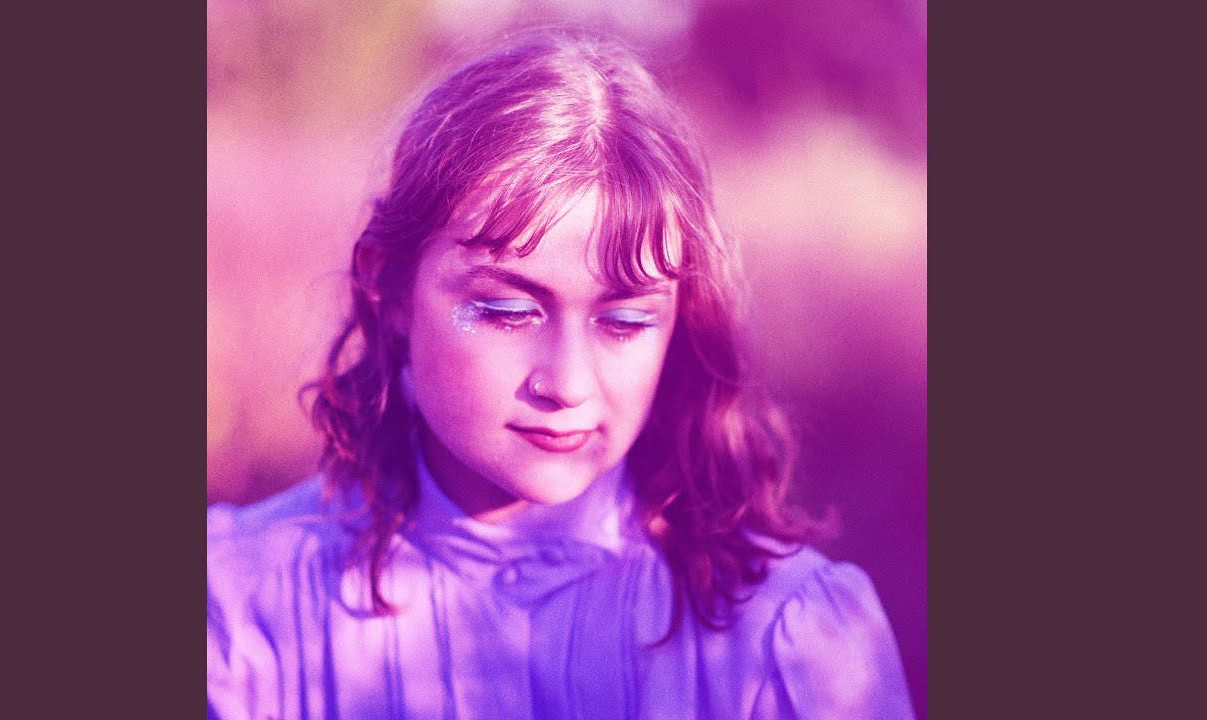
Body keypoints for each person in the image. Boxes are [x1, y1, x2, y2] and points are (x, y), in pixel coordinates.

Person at [207, 27, 915, 720]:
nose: (568, 384)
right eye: (506, 311)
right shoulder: (237, 609)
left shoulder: (787, 637)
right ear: (388, 288)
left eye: (625, 321)